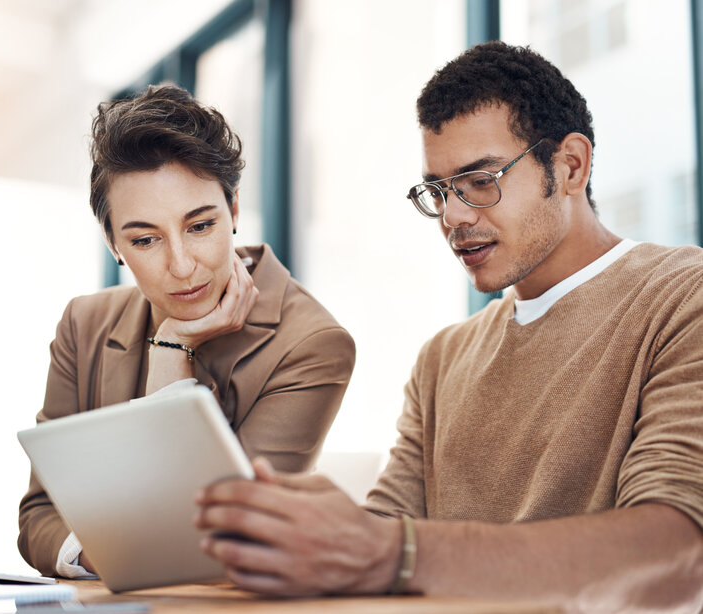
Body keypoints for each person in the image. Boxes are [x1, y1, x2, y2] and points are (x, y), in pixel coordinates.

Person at [194, 42, 703, 610]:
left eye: (480, 181)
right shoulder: (443, 358)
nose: (455, 216)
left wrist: (388, 551)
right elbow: (384, 531)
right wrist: (297, 536)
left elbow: (679, 552)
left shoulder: (683, 297)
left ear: (570, 166)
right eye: (438, 190)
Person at [17, 84, 355, 578]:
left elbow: (223, 539)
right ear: (114, 243)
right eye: (146, 239)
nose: (181, 265)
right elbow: (38, 517)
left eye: (200, 226)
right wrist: (106, 554)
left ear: (234, 211)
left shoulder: (312, 345)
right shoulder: (82, 326)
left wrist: (175, 350)